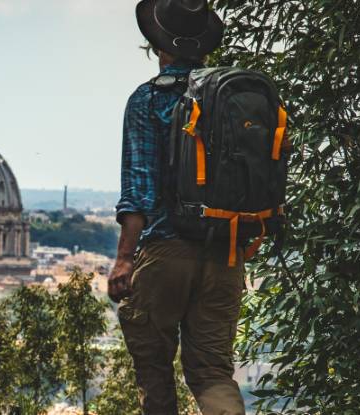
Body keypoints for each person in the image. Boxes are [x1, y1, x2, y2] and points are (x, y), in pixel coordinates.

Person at [108, 0, 246, 413]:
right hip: (226, 251)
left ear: (157, 46)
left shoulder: (148, 100)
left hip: (166, 250)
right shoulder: (233, 100)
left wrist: (124, 260)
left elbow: (139, 190)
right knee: (213, 373)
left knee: (154, 369)